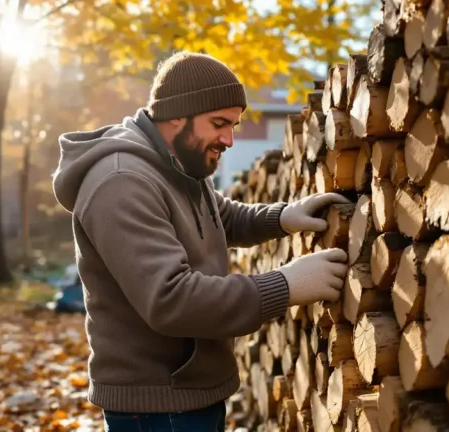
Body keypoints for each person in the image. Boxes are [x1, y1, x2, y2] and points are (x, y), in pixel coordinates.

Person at [51, 51, 351, 431]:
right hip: (158, 404)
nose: (228, 138)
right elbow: (171, 300)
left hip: (189, 391)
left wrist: (282, 217)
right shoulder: (121, 182)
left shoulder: (178, 162)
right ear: (176, 114)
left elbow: (217, 216)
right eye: (219, 123)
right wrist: (286, 285)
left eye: (233, 125)